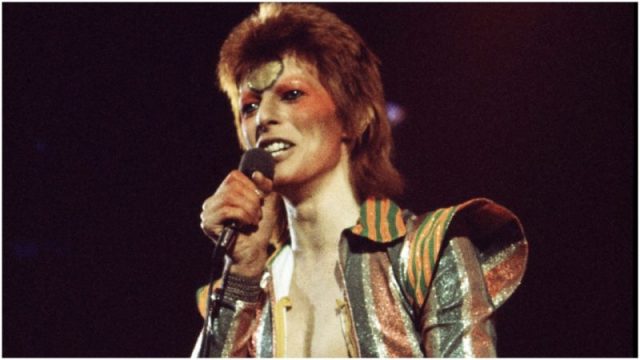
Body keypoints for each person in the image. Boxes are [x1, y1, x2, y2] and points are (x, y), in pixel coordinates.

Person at [194, 3, 528, 357]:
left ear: (355, 116)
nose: (263, 117)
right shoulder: (249, 289)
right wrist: (240, 275)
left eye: (291, 94)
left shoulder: (427, 252)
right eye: (249, 106)